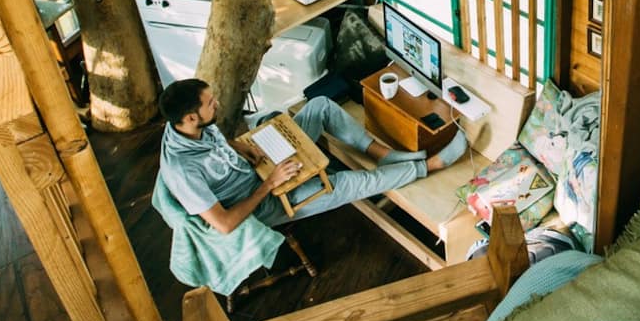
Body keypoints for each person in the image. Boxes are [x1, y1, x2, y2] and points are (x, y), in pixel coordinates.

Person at [158, 77, 467, 233]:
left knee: (319, 105)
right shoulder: (183, 170)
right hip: (264, 201)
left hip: (260, 169)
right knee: (348, 182)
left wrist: (237, 145)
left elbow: (215, 139)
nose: (217, 105)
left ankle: (385, 154)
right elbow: (224, 225)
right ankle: (430, 165)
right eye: (210, 104)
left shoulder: (190, 129)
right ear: (189, 118)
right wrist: (270, 183)